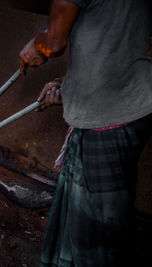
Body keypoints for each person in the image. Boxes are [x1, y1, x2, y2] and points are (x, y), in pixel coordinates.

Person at [19, 0, 152, 266]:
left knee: (97, 237)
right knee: (107, 222)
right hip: (136, 105)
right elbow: (114, 35)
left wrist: (34, 47)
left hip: (106, 118)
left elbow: (53, 42)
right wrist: (70, 86)